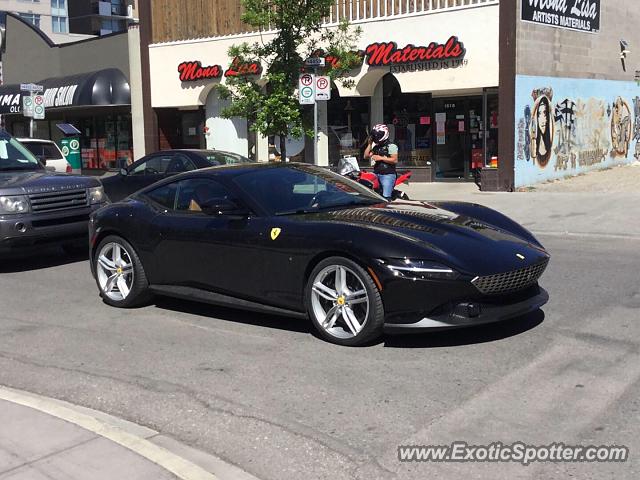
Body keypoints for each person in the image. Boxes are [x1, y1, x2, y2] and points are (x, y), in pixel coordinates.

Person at [364, 124, 398, 199]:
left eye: (377, 135)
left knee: (386, 197)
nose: (376, 137)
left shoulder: (392, 146)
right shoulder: (376, 147)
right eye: (375, 135)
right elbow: (366, 156)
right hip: (376, 173)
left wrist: (381, 158)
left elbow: (395, 160)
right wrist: (369, 144)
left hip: (387, 175)